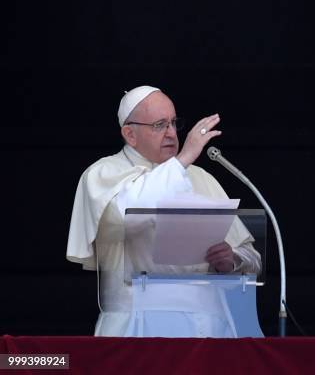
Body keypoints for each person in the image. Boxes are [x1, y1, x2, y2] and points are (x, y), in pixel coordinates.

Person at [66, 85, 261, 337]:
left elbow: (252, 259)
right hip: (137, 327)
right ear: (130, 134)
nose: (171, 133)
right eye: (159, 125)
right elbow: (127, 215)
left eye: (173, 123)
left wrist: (232, 259)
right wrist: (184, 158)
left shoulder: (201, 178)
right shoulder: (103, 173)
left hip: (208, 328)